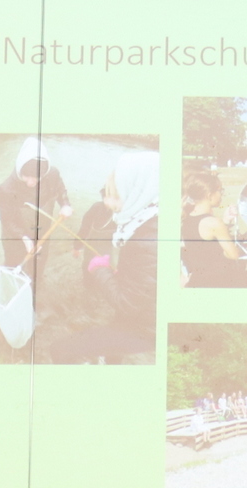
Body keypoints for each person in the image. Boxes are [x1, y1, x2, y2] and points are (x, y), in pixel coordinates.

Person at [54, 150, 160, 363]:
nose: (109, 203)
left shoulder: (147, 238)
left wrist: (101, 270)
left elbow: (128, 303)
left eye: (115, 195)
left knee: (60, 350)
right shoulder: (141, 221)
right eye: (106, 195)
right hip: (137, 315)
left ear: (138, 191)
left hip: (143, 326)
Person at [0, 137, 72, 271]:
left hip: (42, 232)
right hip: (15, 238)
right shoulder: (6, 189)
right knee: (14, 265)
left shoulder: (52, 175)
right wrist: (23, 237)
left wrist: (65, 204)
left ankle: (37, 282)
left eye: (36, 177)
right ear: (20, 169)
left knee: (38, 264)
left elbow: (60, 190)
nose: (31, 182)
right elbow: (7, 220)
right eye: (27, 176)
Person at [181, 172, 247, 288]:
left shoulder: (187, 218)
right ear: (209, 195)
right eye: (220, 191)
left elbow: (205, 244)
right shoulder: (214, 223)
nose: (221, 195)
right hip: (218, 281)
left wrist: (225, 222)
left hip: (198, 280)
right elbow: (233, 255)